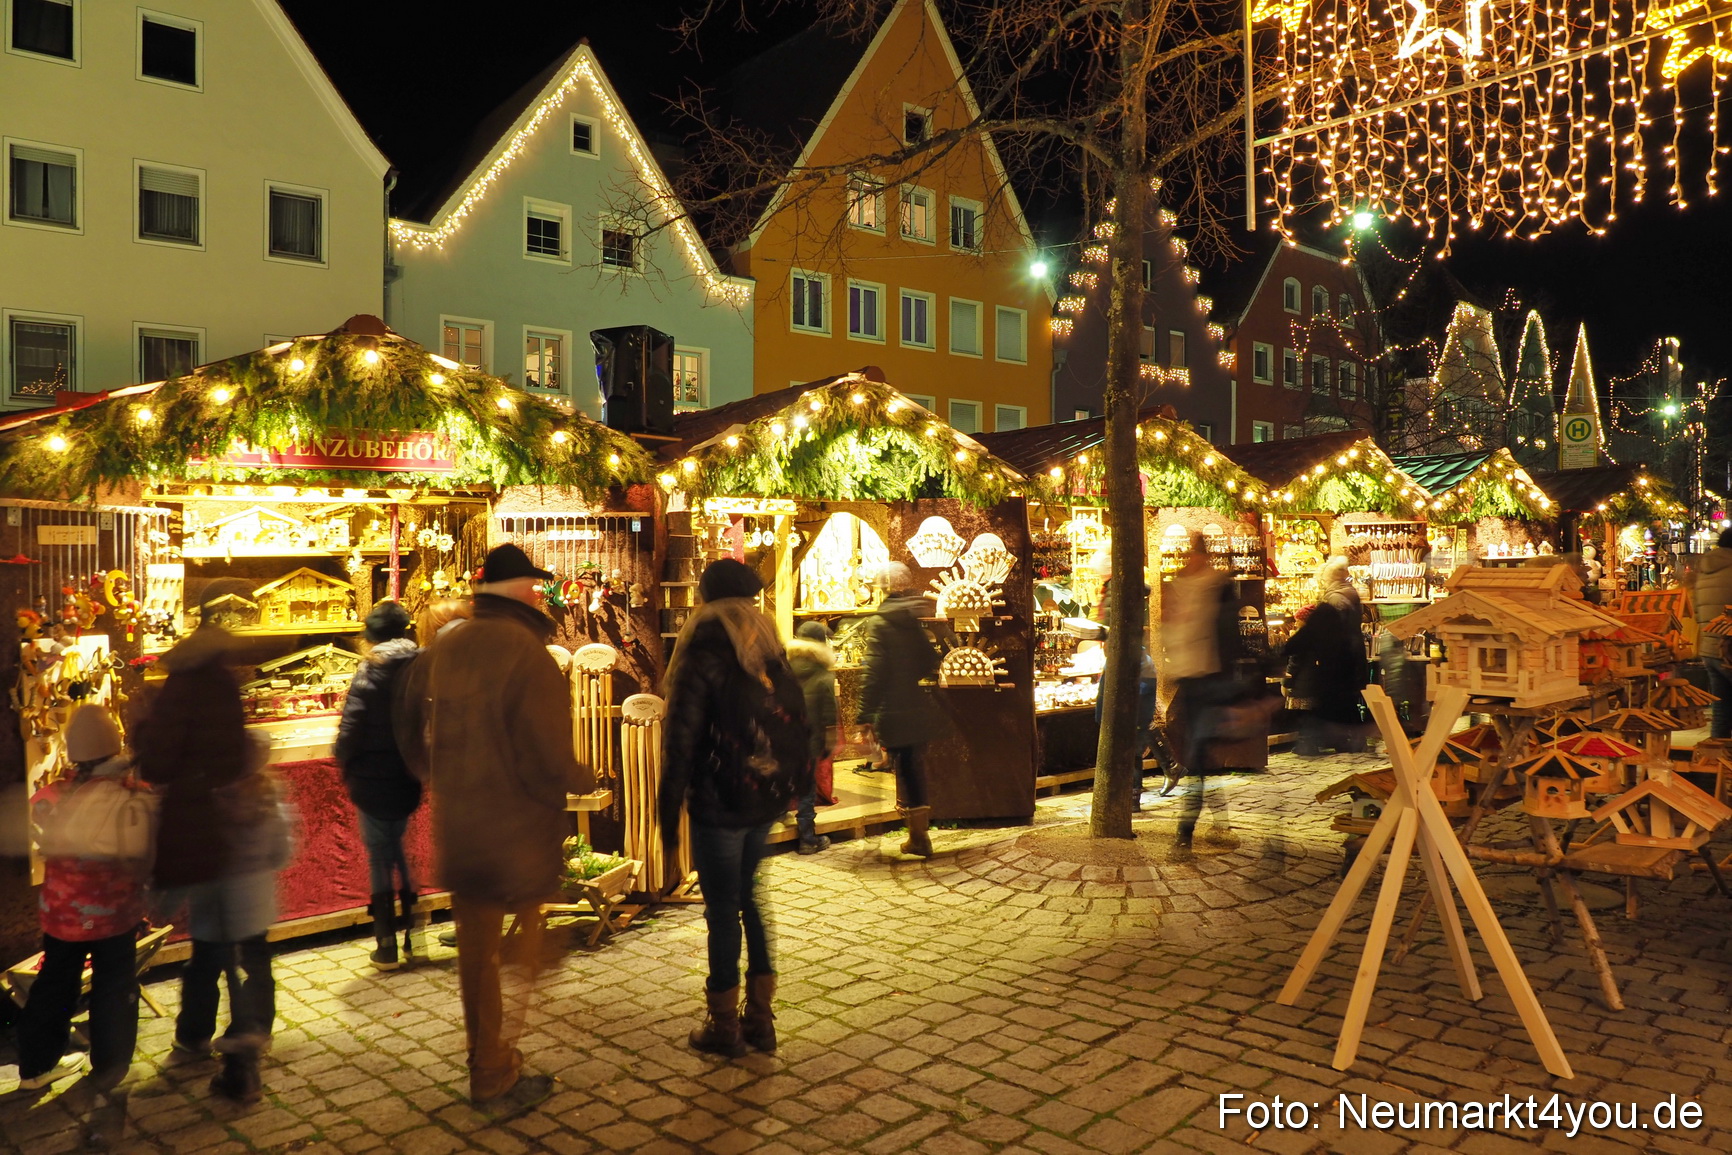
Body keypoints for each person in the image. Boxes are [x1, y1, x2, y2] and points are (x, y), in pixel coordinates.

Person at [415, 545, 593, 1108]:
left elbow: (413, 723)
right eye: (533, 585)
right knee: (530, 951)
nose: (539, 593)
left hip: (463, 826)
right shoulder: (527, 652)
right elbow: (547, 751)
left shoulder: (451, 645)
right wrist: (581, 776)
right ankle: (495, 1068)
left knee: (478, 954)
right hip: (512, 830)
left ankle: (486, 1059)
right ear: (518, 590)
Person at [134, 583, 286, 1105]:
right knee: (246, 943)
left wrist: (141, 731)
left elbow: (157, 762)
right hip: (233, 826)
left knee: (210, 941)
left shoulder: (180, 688)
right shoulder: (223, 684)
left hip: (200, 829)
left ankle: (200, 1036)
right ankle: (246, 1040)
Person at [661, 559, 810, 1056]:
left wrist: (667, 809)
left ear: (705, 596)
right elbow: (795, 720)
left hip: (718, 800)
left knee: (723, 912)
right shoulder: (767, 645)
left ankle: (723, 1025)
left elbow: (681, 733)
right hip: (761, 800)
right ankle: (761, 1020)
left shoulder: (701, 643)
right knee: (751, 902)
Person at [15, 707, 151, 1106]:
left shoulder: (49, 797)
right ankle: (110, 1067)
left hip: (62, 914)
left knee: (54, 983)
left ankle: (36, 1069)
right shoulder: (130, 795)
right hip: (115, 912)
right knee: (114, 986)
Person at [335, 601, 423, 970]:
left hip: (372, 777)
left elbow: (352, 726)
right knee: (399, 848)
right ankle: (414, 932)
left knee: (379, 855)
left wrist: (343, 759)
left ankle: (385, 941)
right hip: (407, 775)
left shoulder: (369, 670)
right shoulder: (420, 667)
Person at [858, 563, 946, 858]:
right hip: (915, 704)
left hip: (892, 707)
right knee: (912, 769)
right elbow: (927, 660)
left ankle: (917, 837)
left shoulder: (880, 623)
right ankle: (918, 836)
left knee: (902, 769)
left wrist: (865, 714)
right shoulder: (912, 621)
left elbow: (874, 671)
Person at [1162, 533, 1241, 848]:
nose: (1190, 559)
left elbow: (1228, 637)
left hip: (1209, 679)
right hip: (1191, 678)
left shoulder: (1217, 586)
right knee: (1200, 752)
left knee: (1196, 752)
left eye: (1195, 553)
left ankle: (1186, 827)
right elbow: (1173, 629)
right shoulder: (1181, 585)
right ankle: (1218, 817)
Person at [1285, 557, 1370, 757]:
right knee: (1345, 699)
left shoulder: (1335, 599)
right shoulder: (1349, 594)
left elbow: (1329, 632)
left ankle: (1341, 740)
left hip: (1338, 658)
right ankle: (1347, 740)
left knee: (1337, 698)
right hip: (1350, 655)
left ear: (1330, 577)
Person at [786, 620, 838, 854]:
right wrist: (829, 740)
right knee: (807, 785)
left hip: (785, 736)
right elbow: (829, 713)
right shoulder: (823, 674)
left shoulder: (784, 669)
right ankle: (807, 838)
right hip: (811, 738)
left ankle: (778, 813)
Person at [1689, 528, 1732, 738]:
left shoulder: (1707, 569)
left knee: (1722, 711)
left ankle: (1716, 761)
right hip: (1729, 648)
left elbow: (1698, 610)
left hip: (1710, 648)